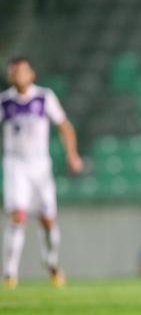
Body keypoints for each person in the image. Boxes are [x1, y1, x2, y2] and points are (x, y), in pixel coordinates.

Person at [1, 57, 83, 288]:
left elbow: (64, 126)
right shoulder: (5, 101)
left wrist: (72, 155)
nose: (18, 76)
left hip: (40, 165)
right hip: (15, 163)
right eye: (14, 72)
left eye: (22, 71)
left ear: (31, 74)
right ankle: (9, 273)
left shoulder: (43, 97)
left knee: (47, 219)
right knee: (18, 215)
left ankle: (51, 262)